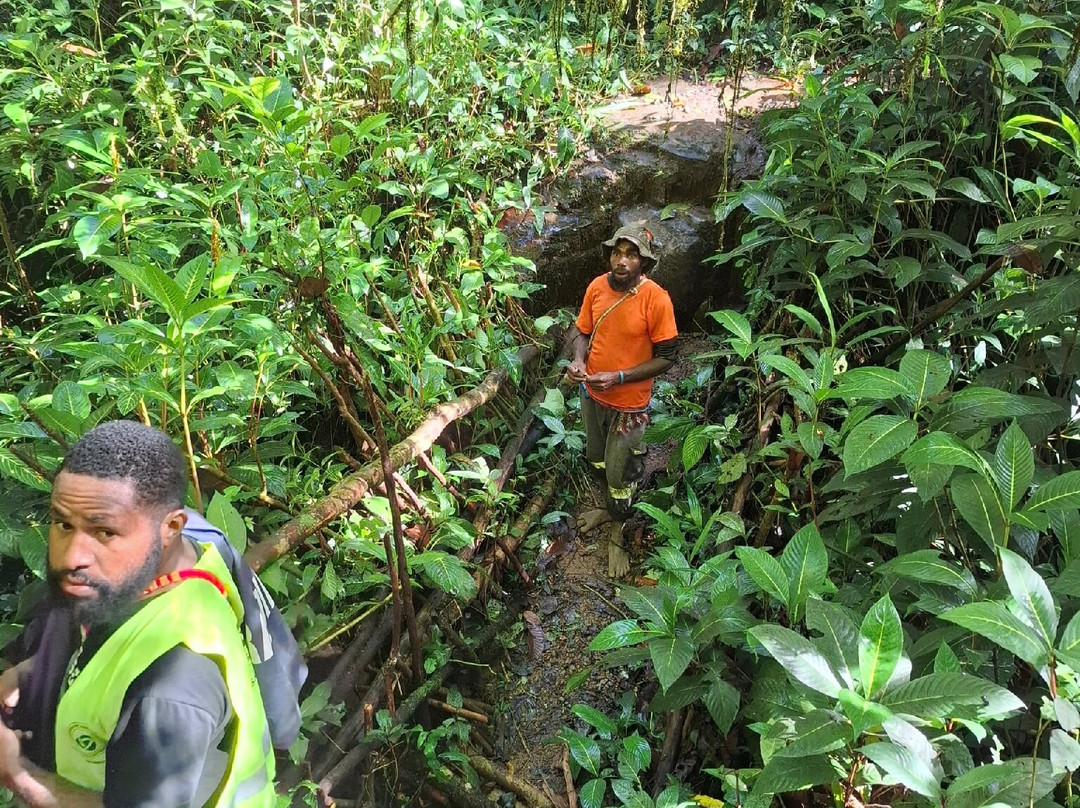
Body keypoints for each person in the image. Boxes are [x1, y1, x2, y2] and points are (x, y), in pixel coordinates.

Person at [0, 421, 276, 807]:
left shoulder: (171, 690)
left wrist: (17, 773)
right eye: (63, 524)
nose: (72, 557)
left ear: (171, 527)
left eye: (104, 533)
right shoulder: (192, 545)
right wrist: (31, 672)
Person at [567, 225, 678, 577]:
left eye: (631, 254)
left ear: (643, 262)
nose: (622, 261)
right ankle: (608, 509)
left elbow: (668, 357)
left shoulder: (656, 299)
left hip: (630, 404)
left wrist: (619, 377)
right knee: (597, 458)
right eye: (617, 252)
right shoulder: (596, 288)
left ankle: (618, 531)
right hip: (592, 394)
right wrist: (579, 361)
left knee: (622, 471)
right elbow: (582, 331)